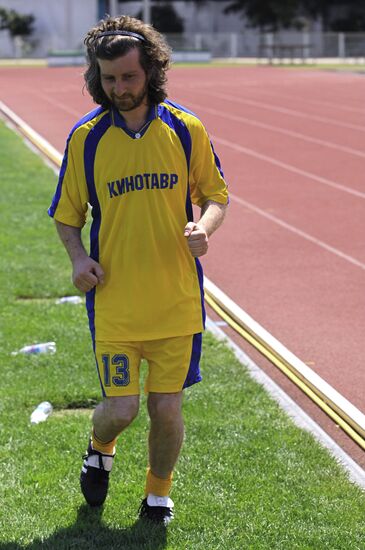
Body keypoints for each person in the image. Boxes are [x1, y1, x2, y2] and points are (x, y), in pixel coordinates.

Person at [48, 14, 228, 525]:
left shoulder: (185, 129)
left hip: (175, 302)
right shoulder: (86, 138)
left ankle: (157, 495)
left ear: (150, 70)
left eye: (128, 77)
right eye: (108, 79)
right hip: (116, 304)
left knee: (166, 409)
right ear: (95, 77)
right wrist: (79, 258)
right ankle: (99, 444)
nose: (119, 88)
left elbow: (215, 195)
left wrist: (205, 229)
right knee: (122, 408)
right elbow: (66, 216)